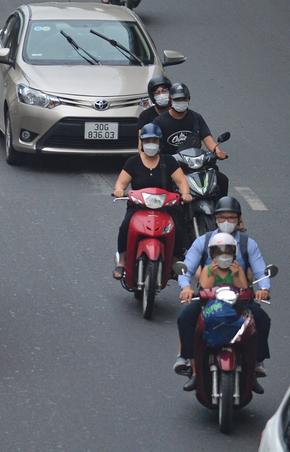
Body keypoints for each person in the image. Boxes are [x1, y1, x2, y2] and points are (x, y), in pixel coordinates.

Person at [174, 196, 271, 393]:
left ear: (238, 219)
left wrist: (263, 289)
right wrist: (185, 287)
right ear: (216, 218)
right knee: (186, 318)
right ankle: (192, 367)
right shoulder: (203, 241)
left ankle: (255, 366)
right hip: (208, 298)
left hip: (240, 299)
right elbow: (187, 269)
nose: (227, 221)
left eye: (231, 217)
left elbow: (260, 272)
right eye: (222, 217)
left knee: (262, 319)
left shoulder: (248, 244)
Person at [112, 123, 192, 279]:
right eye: (147, 140)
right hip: (138, 208)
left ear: (160, 143)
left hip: (165, 208)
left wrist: (185, 193)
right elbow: (121, 182)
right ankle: (122, 262)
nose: (151, 144)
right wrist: (119, 190)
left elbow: (181, 181)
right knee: (125, 227)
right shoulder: (133, 162)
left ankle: (174, 262)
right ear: (141, 142)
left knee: (180, 231)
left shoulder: (168, 161)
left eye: (154, 141)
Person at [153, 82, 229, 194]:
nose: (181, 102)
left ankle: (220, 211)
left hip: (197, 164)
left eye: (184, 99)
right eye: (177, 99)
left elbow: (208, 139)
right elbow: (153, 143)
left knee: (222, 180)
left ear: (189, 99)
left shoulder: (196, 118)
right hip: (172, 165)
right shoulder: (160, 121)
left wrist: (217, 152)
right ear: (170, 99)